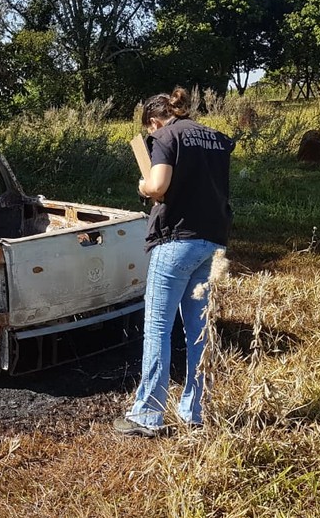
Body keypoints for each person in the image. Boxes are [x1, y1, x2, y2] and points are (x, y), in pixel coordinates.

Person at [114, 87, 235, 438]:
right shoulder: (215, 138)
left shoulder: (166, 135)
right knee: (199, 329)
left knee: (158, 328)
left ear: (154, 122)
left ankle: (148, 414)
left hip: (176, 240)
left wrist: (143, 186)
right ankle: (195, 410)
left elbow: (159, 184)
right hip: (213, 240)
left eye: (150, 133)